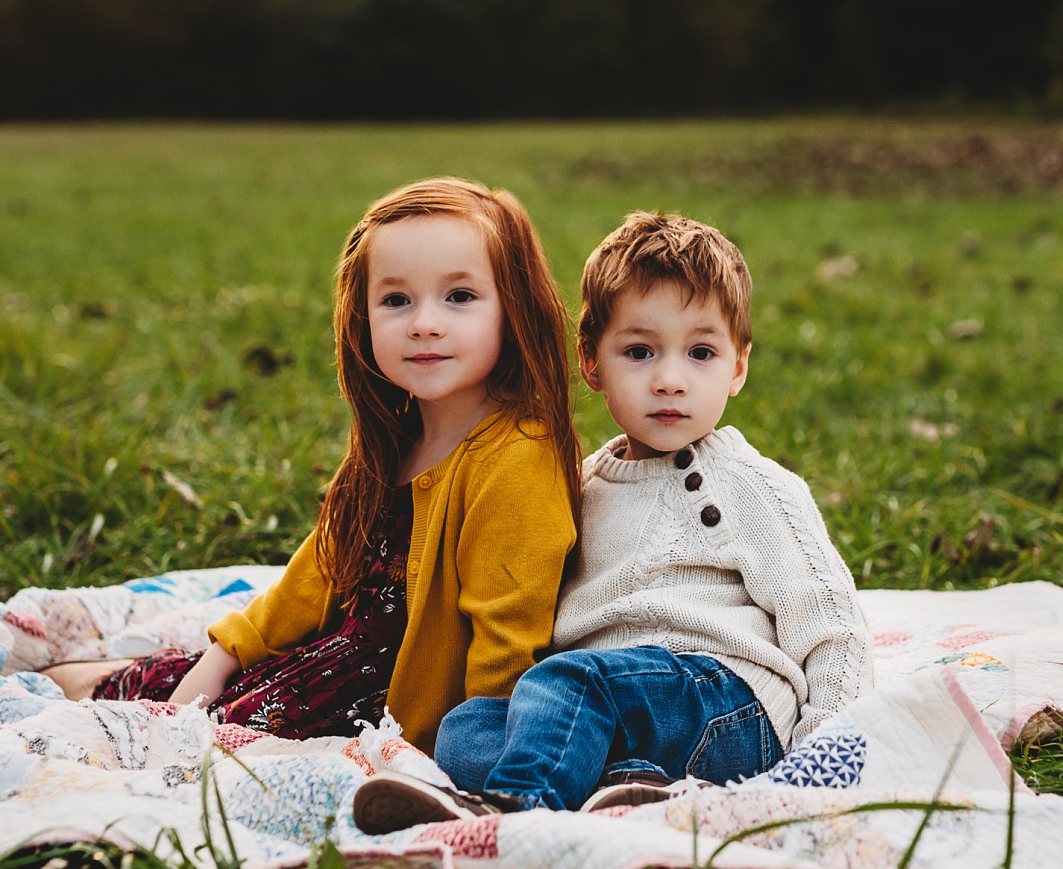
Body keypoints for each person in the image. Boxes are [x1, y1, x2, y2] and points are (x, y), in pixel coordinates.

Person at [352, 212, 871, 830]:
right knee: (469, 726)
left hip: (724, 704)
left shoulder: (752, 485)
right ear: (592, 362)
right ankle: (633, 791)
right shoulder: (575, 486)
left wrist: (821, 757)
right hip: (612, 711)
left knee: (569, 683)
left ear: (738, 366)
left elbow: (832, 627)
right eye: (639, 351)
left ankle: (519, 814)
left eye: (701, 352)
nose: (670, 380)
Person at [48, 177, 580, 751]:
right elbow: (322, 567)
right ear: (362, 317)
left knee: (179, 744)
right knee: (119, 685)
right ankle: (67, 678)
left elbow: (509, 637)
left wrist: (474, 756)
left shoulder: (518, 458)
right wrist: (226, 654)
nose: (425, 323)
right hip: (325, 665)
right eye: (397, 300)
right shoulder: (398, 435)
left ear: (513, 307)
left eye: (460, 296)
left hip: (388, 715)